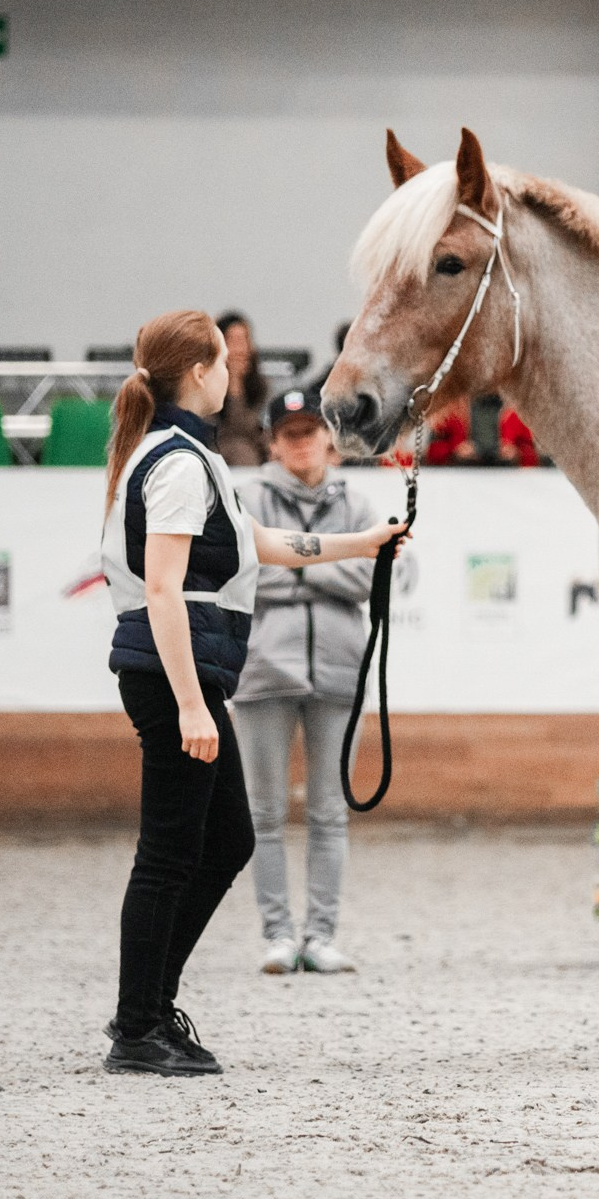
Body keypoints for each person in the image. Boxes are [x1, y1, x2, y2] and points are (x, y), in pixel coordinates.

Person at [98, 310, 405, 1077]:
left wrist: (359, 543)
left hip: (194, 671)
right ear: (204, 370)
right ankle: (138, 1024)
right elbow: (164, 589)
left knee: (226, 837)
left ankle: (149, 1009)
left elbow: (258, 544)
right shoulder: (175, 462)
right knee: (170, 851)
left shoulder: (192, 457)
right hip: (180, 674)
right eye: (220, 361)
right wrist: (192, 703)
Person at [234, 386, 377, 977]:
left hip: (340, 672)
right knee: (263, 814)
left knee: (329, 813)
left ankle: (320, 936)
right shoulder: (247, 498)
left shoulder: (360, 504)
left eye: (310, 430)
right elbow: (241, 573)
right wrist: (329, 566)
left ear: (327, 437)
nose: (301, 442)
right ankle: (277, 935)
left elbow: (377, 575)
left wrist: (293, 563)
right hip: (263, 673)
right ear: (272, 441)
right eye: (289, 433)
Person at [213, 311, 269, 467]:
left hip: (254, 450)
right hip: (218, 450)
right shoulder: (206, 385)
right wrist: (233, 382)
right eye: (234, 341)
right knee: (239, 449)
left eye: (245, 340)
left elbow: (252, 430)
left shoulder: (260, 385)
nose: (241, 349)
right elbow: (230, 431)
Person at [423, 393, 539, 467]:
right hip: (462, 476)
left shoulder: (516, 414)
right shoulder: (452, 412)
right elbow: (432, 452)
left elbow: (533, 454)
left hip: (504, 477)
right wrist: (454, 450)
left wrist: (516, 453)